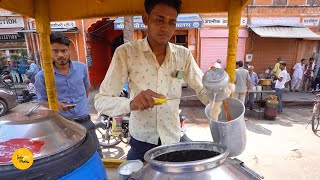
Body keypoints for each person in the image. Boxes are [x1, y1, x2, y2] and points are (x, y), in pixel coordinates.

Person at [94, 0, 209, 161]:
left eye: (172, 22)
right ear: (145, 19)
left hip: (173, 139)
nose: (165, 27)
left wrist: (218, 92)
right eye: (159, 19)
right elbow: (100, 101)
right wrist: (131, 103)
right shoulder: (126, 53)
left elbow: (204, 91)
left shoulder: (183, 55)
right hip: (142, 142)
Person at [35, 32, 102, 157]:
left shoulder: (81, 68)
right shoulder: (42, 76)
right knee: (71, 157)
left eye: (64, 50)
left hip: (85, 121)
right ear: (49, 52)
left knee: (96, 152)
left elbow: (86, 89)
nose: (60, 55)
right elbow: (41, 101)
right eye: (55, 51)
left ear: (69, 50)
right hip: (63, 124)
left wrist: (80, 105)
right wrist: (57, 105)